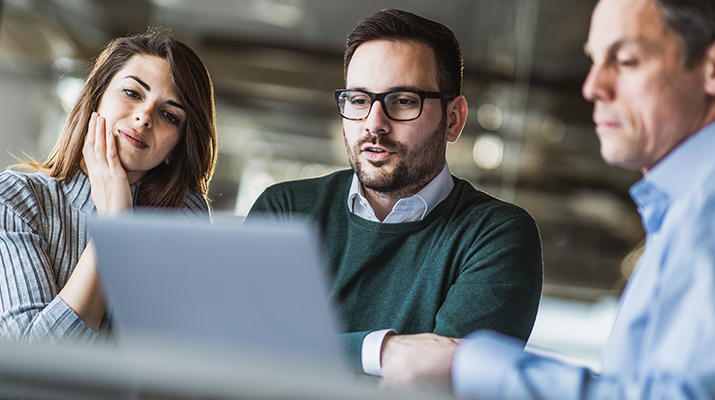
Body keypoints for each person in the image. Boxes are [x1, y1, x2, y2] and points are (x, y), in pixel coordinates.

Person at [379, 0, 715, 397]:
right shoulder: (676, 211)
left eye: (625, 60)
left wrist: (470, 366)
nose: (592, 86)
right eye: (594, 60)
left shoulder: (705, 210)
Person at [247, 9, 543, 375]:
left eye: (403, 101)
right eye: (358, 99)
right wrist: (384, 352)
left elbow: (446, 382)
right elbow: (242, 349)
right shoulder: (286, 210)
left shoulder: (495, 235)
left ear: (453, 119)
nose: (374, 123)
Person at [0, 29, 218, 343]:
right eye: (132, 93)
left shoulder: (184, 222)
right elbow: (34, 364)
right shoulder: (16, 200)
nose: (144, 117)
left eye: (169, 115)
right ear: (96, 99)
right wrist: (114, 225)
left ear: (176, 149)